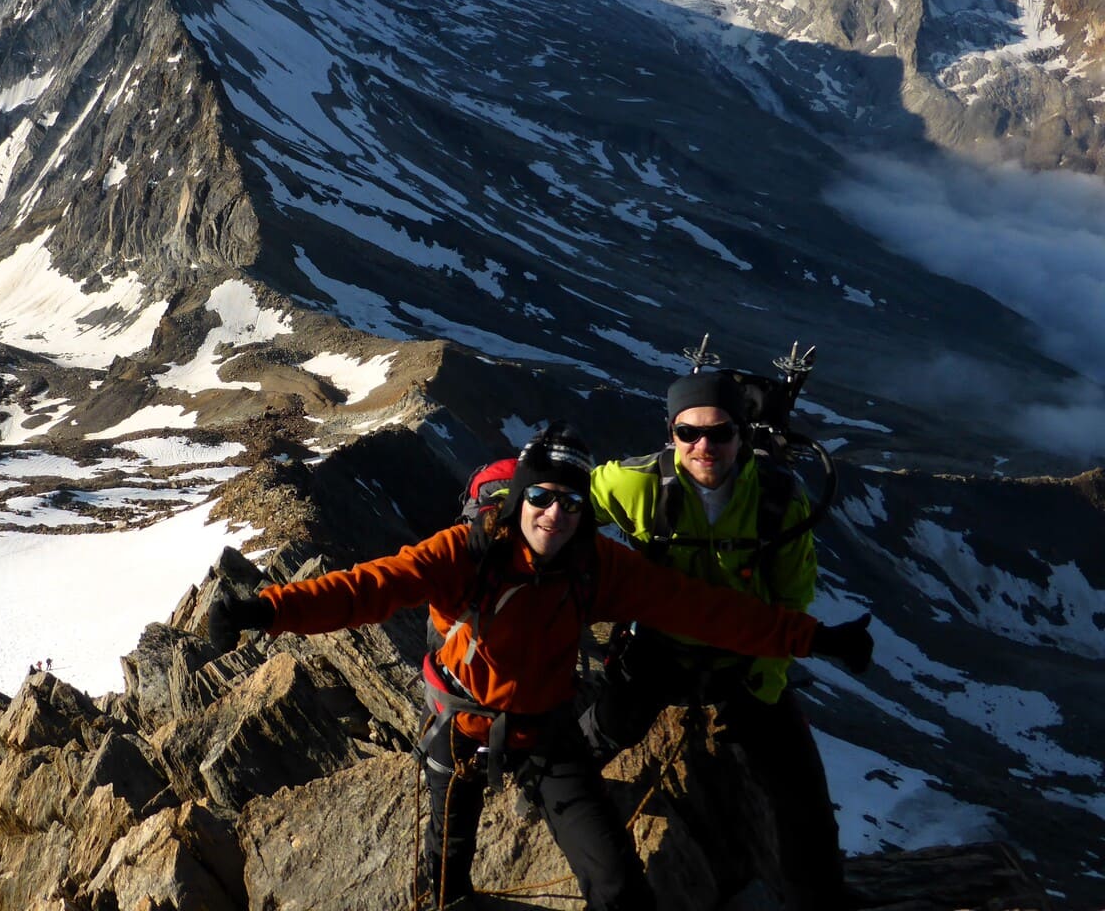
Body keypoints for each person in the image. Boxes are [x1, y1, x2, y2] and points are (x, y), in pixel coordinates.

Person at [207, 423, 873, 911]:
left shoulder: (595, 565)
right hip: (461, 734)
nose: (556, 514)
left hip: (548, 736)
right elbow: (366, 588)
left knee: (618, 890)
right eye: (542, 499)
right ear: (518, 499)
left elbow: (705, 611)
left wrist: (813, 639)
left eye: (573, 504)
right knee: (443, 887)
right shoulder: (463, 554)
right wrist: (263, 611)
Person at [583, 371, 853, 911]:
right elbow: (563, 504)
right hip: (661, 646)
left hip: (743, 658)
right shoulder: (637, 484)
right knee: (605, 729)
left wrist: (766, 680)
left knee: (800, 786)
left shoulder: (777, 499)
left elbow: (791, 600)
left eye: (721, 432)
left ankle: (823, 898)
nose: (703, 445)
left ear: (743, 435)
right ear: (670, 433)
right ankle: (540, 779)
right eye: (688, 433)